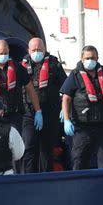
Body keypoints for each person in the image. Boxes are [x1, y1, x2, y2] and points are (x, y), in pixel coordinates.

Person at [60, 45, 103, 170]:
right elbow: (66, 98)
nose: (90, 61)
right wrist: (67, 119)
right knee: (79, 161)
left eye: (93, 58)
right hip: (83, 127)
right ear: (82, 58)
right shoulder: (75, 75)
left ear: (97, 58)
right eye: (87, 58)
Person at [21, 37, 67, 173]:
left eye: (39, 50)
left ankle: (46, 178)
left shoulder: (54, 65)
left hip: (50, 113)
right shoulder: (21, 67)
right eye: (33, 50)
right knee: (28, 146)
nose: (36, 52)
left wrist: (64, 110)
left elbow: (66, 88)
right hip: (29, 113)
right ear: (28, 50)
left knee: (46, 150)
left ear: (45, 49)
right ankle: (27, 179)